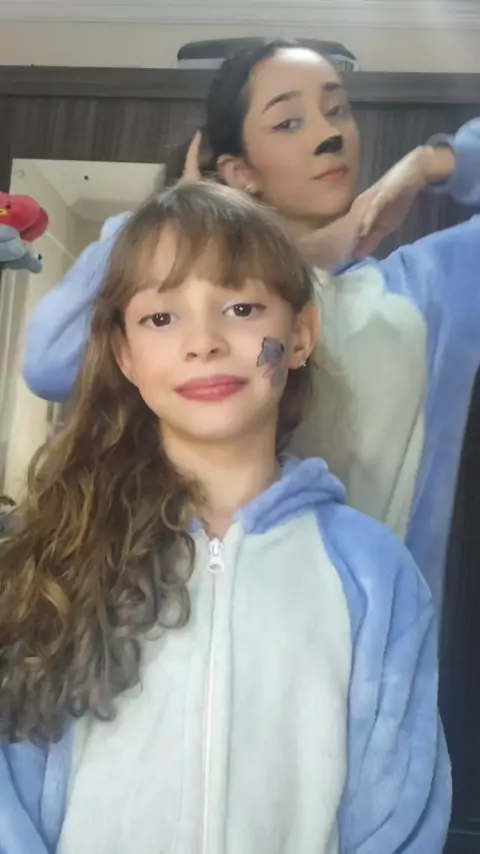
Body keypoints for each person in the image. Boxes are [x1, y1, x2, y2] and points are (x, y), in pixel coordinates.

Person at [0, 181, 449, 854]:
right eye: (161, 318)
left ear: (298, 336)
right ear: (126, 356)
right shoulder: (60, 558)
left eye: (240, 308)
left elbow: (399, 817)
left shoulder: (375, 574)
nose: (204, 342)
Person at [22, 40, 480, 608]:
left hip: (382, 634)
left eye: (337, 110)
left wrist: (433, 164)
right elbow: (50, 362)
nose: (329, 134)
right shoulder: (201, 313)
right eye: (288, 121)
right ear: (240, 172)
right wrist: (173, 214)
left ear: (303, 335)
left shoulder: (430, 287)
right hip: (191, 616)